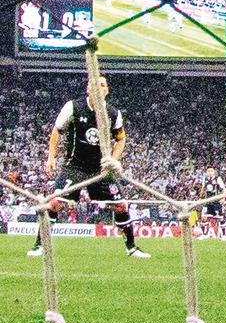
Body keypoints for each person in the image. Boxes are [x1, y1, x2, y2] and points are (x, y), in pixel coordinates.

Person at [28, 76, 150, 259]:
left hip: (100, 169)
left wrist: (113, 160)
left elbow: (121, 139)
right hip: (75, 166)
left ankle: (131, 248)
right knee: (54, 203)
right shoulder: (73, 107)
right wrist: (51, 157)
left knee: (121, 206)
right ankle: (40, 244)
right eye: (95, 84)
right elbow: (57, 130)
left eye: (102, 85)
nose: (99, 88)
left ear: (107, 90)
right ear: (87, 88)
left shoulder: (113, 114)